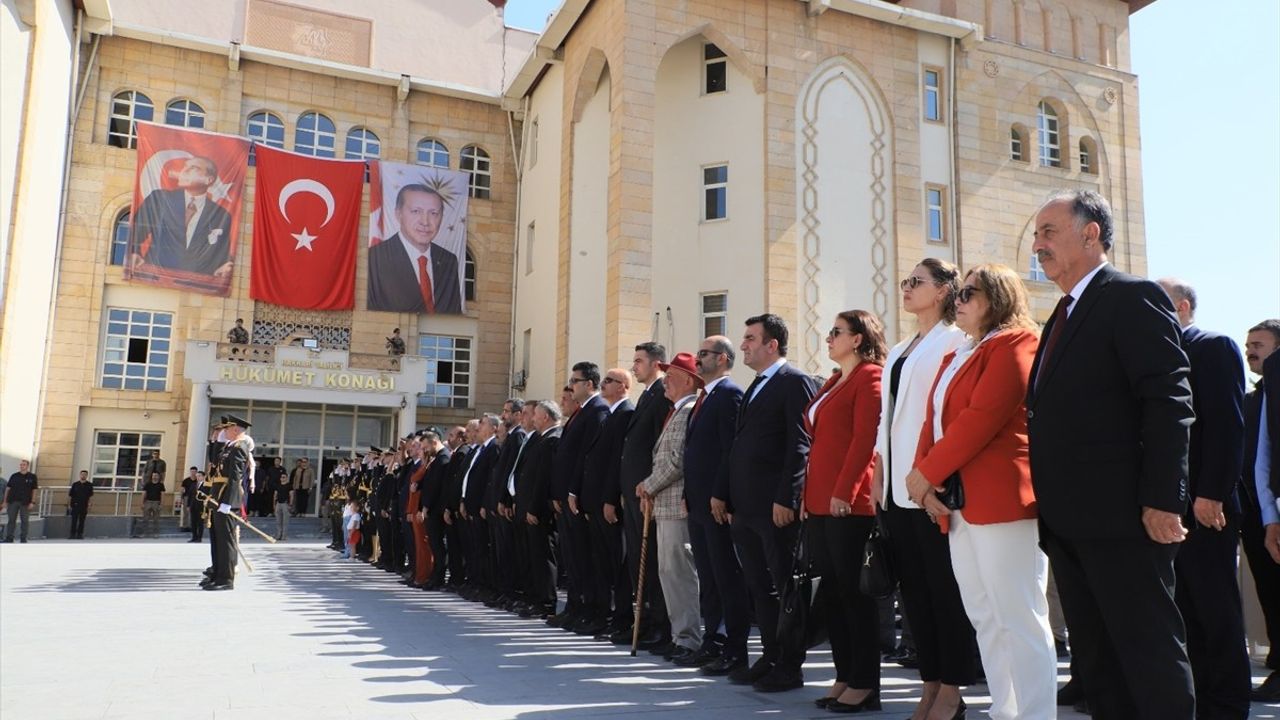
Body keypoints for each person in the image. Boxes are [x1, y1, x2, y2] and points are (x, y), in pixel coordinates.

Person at [1027, 190, 1194, 718]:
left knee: (1148, 655)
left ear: (1090, 233)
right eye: (1036, 236)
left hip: (1125, 518)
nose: (1037, 245)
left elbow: (1168, 402)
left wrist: (1163, 499)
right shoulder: (1061, 314)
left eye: (1048, 232)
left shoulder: (1131, 296)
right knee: (1098, 666)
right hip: (1070, 521)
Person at [906, 264, 1053, 719]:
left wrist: (925, 473)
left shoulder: (1018, 341)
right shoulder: (962, 352)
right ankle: (1005, 711)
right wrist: (923, 480)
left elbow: (983, 417)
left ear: (999, 297)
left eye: (970, 292)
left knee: (1019, 616)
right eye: (961, 292)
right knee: (985, 616)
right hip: (958, 501)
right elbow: (934, 419)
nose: (961, 300)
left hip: (1003, 498)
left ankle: (1034, 714)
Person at [871, 258, 972, 720]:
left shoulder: (957, 342)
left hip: (932, 488)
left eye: (917, 282)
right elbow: (887, 419)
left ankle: (951, 693)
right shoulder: (899, 349)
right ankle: (929, 685)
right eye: (905, 280)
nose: (906, 287)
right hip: (896, 490)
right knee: (914, 598)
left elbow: (948, 417)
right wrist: (878, 473)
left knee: (944, 595)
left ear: (945, 290)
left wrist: (932, 476)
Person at [1156, 278, 1251, 718]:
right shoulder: (1155, 357)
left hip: (1205, 508)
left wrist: (1212, 493)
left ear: (1182, 306)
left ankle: (1229, 707)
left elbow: (1227, 427)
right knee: (1184, 615)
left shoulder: (1213, 346)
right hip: (1167, 511)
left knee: (1217, 613)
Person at [715, 313, 818, 693]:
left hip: (775, 509)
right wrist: (723, 493)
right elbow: (738, 447)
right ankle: (771, 655)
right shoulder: (756, 385)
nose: (742, 345)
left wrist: (787, 497)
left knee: (785, 587)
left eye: (749, 338)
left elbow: (800, 445)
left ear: (771, 345)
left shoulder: (795, 383)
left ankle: (790, 666)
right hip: (745, 508)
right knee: (760, 588)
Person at [802, 310, 886, 712]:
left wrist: (845, 491)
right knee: (833, 595)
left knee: (855, 596)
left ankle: (867, 682)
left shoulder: (870, 376)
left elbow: (865, 440)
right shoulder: (835, 380)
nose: (828, 338)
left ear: (858, 339)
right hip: (820, 502)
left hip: (848, 504)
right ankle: (845, 674)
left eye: (836, 332)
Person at [684, 335, 750, 676]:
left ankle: (734, 647)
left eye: (704, 353)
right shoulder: (704, 398)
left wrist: (720, 493)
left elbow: (730, 450)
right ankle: (713, 640)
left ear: (722, 359)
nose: (698, 359)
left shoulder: (729, 394)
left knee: (726, 577)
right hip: (697, 502)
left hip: (716, 503)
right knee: (708, 578)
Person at [639, 352, 705, 664]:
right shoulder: (675, 410)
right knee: (668, 572)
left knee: (679, 573)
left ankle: (688, 640)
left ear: (689, 380)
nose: (665, 380)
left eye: (672, 375)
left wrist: (648, 484)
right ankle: (679, 635)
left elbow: (677, 459)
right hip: (664, 506)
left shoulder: (688, 409)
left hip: (675, 505)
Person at [613, 343, 674, 649]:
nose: (634, 366)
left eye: (639, 361)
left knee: (651, 562)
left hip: (650, 493)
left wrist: (650, 485)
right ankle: (645, 621)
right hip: (636, 493)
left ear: (657, 364)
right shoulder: (647, 394)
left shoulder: (662, 393)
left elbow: (658, 446)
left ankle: (660, 626)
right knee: (641, 561)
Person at [572, 369, 635, 638]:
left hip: (608, 503)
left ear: (623, 386)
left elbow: (615, 462)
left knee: (615, 563)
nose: (603, 384)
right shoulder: (611, 414)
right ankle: (604, 614)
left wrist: (610, 498)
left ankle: (620, 617)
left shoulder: (625, 414)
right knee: (601, 561)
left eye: (608, 381)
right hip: (595, 501)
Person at [548, 363, 610, 628]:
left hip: (581, 499)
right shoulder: (581, 413)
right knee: (572, 557)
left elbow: (587, 457)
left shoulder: (597, 411)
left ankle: (590, 610)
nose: (571, 386)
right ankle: (574, 607)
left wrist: (573, 491)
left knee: (586, 558)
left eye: (575, 381)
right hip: (567, 498)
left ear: (590, 384)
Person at [1243, 319, 1280, 701]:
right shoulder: (1251, 398)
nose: (1250, 350)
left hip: (1275, 509)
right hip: (1254, 512)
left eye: (1259, 344)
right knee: (1268, 591)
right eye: (1248, 343)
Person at [129, 156, 234, 277]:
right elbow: (135, 233)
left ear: (209, 180)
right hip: (155, 279)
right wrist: (134, 253)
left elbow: (221, 254)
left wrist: (224, 266)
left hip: (196, 286)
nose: (184, 170)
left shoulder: (221, 215)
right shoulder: (159, 199)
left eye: (193, 168)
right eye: (185, 166)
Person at [367, 184, 463, 313]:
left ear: (441, 218)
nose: (425, 222)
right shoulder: (375, 257)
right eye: (416, 211)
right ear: (398, 214)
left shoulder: (449, 260)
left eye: (433, 213)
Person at [514, 401, 563, 618]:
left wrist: (533, 508)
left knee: (544, 557)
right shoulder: (542, 439)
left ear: (545, 418)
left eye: (536, 415)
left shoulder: (552, 440)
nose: (532, 419)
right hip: (529, 509)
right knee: (533, 557)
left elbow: (543, 479)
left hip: (539, 512)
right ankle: (535, 599)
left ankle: (546, 602)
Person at [205, 416, 252, 591]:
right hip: (219, 497)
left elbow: (235, 477)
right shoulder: (229, 447)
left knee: (226, 541)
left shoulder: (240, 448)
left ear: (235, 430)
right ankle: (218, 575)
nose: (224, 431)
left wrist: (228, 502)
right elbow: (215, 462)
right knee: (218, 539)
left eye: (227, 429)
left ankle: (226, 579)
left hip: (226, 499)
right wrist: (216, 442)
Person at [2, 460, 37, 543]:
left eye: (24, 465)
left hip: (25, 502)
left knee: (24, 520)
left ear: (27, 466)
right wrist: (5, 501)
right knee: (11, 520)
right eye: (21, 465)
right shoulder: (14, 476)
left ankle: (23, 538)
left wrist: (33, 502)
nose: (22, 466)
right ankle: (9, 537)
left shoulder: (32, 477)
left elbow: (34, 490)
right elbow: (8, 489)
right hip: (13, 501)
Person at [68, 470, 94, 540]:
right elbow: (71, 495)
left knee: (82, 520)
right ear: (80, 475)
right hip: (75, 505)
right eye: (82, 474)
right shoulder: (75, 484)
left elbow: (90, 496)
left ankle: (80, 534)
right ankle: (72, 534)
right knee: (74, 520)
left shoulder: (89, 485)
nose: (83, 476)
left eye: (85, 475)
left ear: (87, 476)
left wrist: (89, 505)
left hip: (84, 505)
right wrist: (69, 505)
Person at [269, 464, 292, 541]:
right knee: (278, 521)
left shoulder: (289, 486)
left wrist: (290, 504)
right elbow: (275, 495)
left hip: (285, 503)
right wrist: (273, 504)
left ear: (286, 478)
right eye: (281, 477)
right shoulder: (278, 485)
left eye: (284, 477)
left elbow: (291, 495)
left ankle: (284, 536)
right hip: (278, 503)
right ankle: (278, 535)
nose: (282, 478)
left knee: (285, 521)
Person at [141, 472, 165, 538]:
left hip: (156, 503)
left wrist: (161, 504)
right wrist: (142, 503)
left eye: (156, 476)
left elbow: (162, 495)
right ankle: (145, 533)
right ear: (151, 476)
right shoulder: (148, 484)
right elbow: (144, 494)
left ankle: (156, 534)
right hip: (148, 502)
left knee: (156, 519)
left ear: (158, 477)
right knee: (145, 519)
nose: (155, 477)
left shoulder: (161, 485)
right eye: (153, 475)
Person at [189, 471, 207, 543]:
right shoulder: (193, 485)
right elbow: (190, 496)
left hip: (201, 506)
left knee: (200, 523)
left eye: (199, 476)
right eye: (197, 476)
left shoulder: (206, 485)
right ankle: (194, 537)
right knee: (193, 522)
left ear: (203, 477)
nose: (198, 477)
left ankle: (199, 537)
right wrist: (188, 505)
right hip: (193, 506)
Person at [179, 467, 199, 532]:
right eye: (192, 471)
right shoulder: (186, 480)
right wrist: (181, 498)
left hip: (195, 498)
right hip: (186, 497)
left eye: (194, 472)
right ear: (190, 472)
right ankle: (185, 526)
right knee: (186, 512)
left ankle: (192, 526)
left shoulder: (198, 481)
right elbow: (182, 490)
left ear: (196, 472)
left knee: (194, 513)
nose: (193, 473)